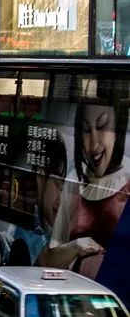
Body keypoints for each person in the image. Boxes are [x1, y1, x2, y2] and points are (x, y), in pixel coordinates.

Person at [40, 99, 130, 278]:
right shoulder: (74, 181)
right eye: (86, 130)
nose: (93, 145)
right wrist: (75, 246)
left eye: (102, 126)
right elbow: (50, 261)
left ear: (118, 130)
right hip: (72, 291)